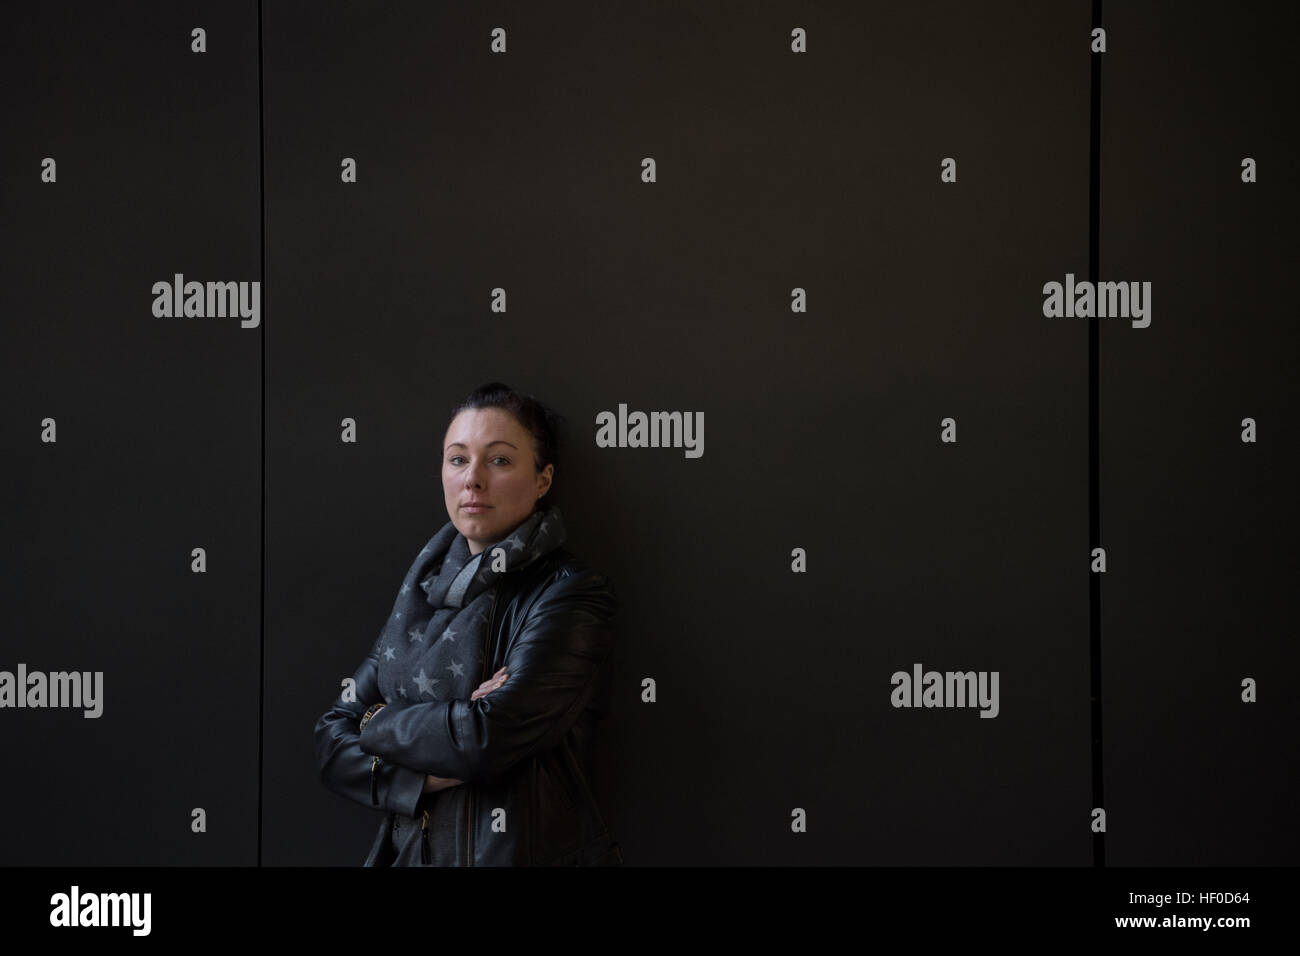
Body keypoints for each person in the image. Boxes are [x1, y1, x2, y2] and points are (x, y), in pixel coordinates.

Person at [314, 382, 622, 865]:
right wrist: (422, 774)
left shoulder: (569, 593)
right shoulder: (420, 595)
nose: (472, 479)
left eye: (499, 460)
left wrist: (375, 719)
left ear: (543, 479)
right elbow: (332, 739)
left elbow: (484, 739)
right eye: (458, 459)